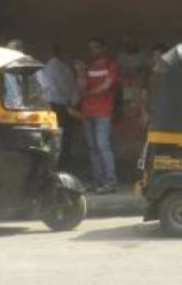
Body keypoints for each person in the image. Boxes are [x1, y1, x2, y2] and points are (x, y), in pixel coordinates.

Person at [81, 37, 120, 193]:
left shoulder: (111, 65)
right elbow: (81, 87)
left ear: (103, 48)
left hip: (103, 111)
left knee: (102, 146)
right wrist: (80, 73)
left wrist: (88, 93)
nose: (93, 51)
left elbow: (106, 86)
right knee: (92, 148)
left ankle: (111, 182)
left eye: (96, 47)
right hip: (87, 111)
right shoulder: (88, 67)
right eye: (91, 48)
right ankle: (98, 181)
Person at [37, 43, 80, 169]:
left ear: (49, 53)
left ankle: (52, 170)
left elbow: (44, 89)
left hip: (51, 108)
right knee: (66, 140)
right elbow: (74, 92)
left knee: (51, 140)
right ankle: (65, 168)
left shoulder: (44, 70)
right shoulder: (67, 69)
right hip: (67, 108)